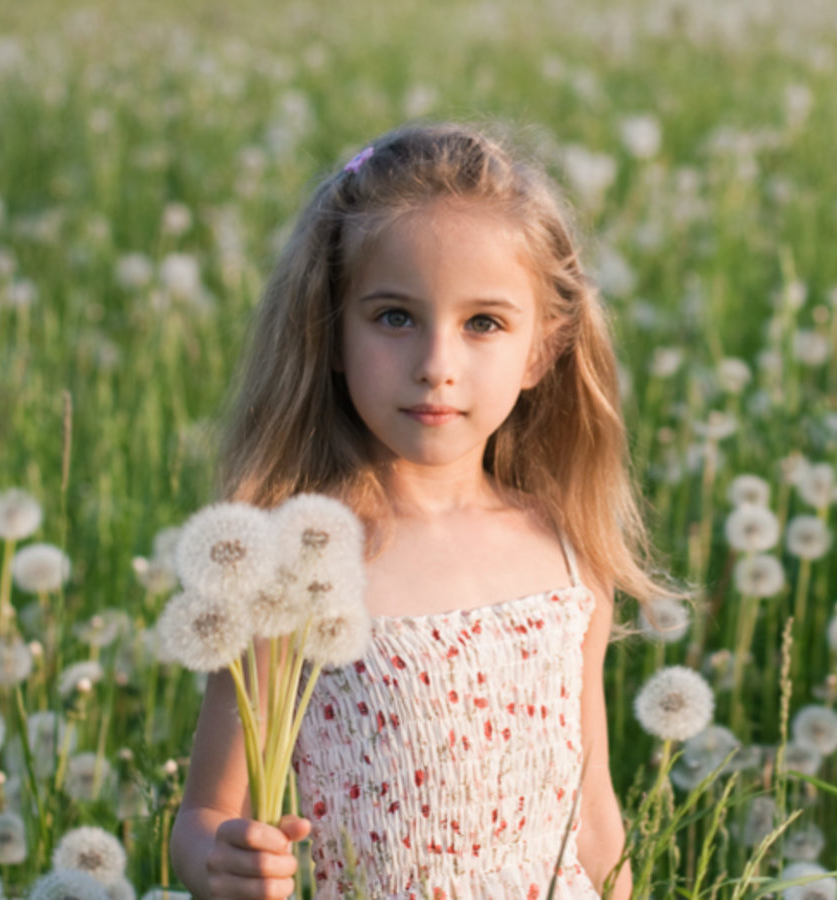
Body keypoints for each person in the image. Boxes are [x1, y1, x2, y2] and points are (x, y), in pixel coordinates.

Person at [171, 122, 670, 900]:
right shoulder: (294, 568)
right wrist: (223, 862)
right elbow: (207, 811)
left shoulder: (568, 556)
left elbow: (594, 809)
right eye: (395, 317)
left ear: (543, 348)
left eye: (484, 324)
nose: (437, 365)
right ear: (329, 330)